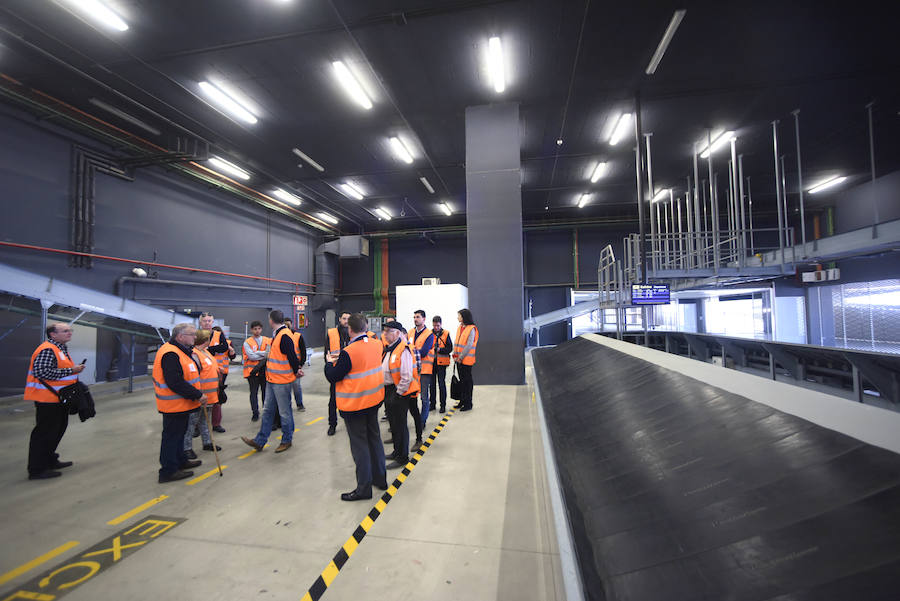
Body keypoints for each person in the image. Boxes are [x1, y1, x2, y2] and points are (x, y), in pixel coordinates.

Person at [324, 313, 387, 501]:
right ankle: (380, 479)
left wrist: (329, 363)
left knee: (360, 446)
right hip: (373, 400)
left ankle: (364, 488)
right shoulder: (377, 344)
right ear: (366, 327)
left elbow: (333, 376)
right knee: (374, 439)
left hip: (355, 404)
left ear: (349, 329)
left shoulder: (349, 352)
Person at [25, 322, 86, 480]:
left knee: (57, 431)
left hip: (58, 398)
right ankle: (37, 469)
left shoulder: (60, 348)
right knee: (45, 433)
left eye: (70, 330)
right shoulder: (47, 349)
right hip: (47, 399)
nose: (69, 333)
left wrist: (73, 371)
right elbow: (42, 372)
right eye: (65, 331)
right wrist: (71, 370)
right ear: (53, 334)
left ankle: (50, 460)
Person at [241, 310, 301, 454]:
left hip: (282, 381)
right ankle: (260, 441)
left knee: (284, 412)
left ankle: (287, 440)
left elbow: (292, 356)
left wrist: (296, 370)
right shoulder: (277, 335)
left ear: (271, 320)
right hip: (272, 379)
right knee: (268, 411)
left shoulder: (284, 335)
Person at [152, 323, 204, 483]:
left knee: (179, 435)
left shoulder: (181, 351)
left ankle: (181, 461)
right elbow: (174, 381)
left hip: (181, 404)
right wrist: (197, 394)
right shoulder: (170, 354)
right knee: (172, 438)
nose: (195, 337)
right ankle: (168, 471)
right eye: (192, 334)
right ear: (180, 336)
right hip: (173, 405)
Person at [381, 321, 420, 469]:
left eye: (388, 331)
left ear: (397, 333)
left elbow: (406, 376)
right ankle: (396, 451)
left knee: (400, 425)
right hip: (389, 390)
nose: (385, 334)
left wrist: (398, 394)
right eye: (384, 331)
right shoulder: (390, 348)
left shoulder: (403, 349)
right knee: (394, 424)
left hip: (398, 392)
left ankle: (403, 457)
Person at [183, 329, 222, 460]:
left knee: (205, 420)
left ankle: (207, 442)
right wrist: (198, 394)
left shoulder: (205, 352)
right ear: (205, 340)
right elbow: (195, 375)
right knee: (191, 423)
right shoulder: (195, 354)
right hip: (200, 395)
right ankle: (187, 448)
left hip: (210, 395)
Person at [200, 312, 233, 433]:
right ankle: (198, 425)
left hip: (219, 371)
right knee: (199, 396)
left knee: (217, 397)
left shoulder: (218, 334)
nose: (207, 323)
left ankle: (216, 423)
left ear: (212, 322)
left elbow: (224, 347)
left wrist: (209, 349)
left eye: (209, 321)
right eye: (205, 321)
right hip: (201, 371)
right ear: (200, 323)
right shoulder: (196, 335)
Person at [409, 310, 435, 435]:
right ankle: (417, 419)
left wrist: (410, 352)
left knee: (424, 397)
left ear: (424, 319)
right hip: (412, 370)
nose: (415, 319)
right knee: (412, 397)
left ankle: (422, 421)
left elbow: (424, 352)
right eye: (414, 317)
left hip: (424, 370)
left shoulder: (429, 335)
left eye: (418, 317)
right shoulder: (410, 332)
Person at [325, 311, 351, 436]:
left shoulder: (353, 333)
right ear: (340, 319)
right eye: (344, 318)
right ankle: (332, 424)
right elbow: (327, 353)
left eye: (348, 319)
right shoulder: (331, 333)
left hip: (350, 373)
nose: (346, 321)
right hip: (336, 371)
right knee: (333, 401)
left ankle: (350, 421)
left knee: (350, 399)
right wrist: (329, 369)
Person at [242, 320, 270, 422]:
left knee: (265, 393)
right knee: (253, 393)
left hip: (264, 371)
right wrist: (263, 353)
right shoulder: (247, 342)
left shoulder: (267, 340)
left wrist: (257, 352)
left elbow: (269, 353)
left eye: (259, 329)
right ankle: (255, 413)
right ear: (251, 330)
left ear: (261, 329)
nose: (257, 331)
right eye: (255, 329)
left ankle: (266, 411)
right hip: (252, 372)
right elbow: (251, 356)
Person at [452, 309, 479, 411]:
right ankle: (462, 401)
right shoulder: (460, 327)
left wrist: (460, 357)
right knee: (462, 382)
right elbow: (457, 342)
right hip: (458, 360)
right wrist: (455, 354)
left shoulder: (471, 329)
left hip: (466, 361)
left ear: (464, 317)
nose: (457, 317)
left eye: (459, 316)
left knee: (467, 383)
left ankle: (468, 403)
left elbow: (469, 345)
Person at [283, 317, 307, 412]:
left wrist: (301, 364)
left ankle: (299, 404)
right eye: (285, 325)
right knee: (286, 388)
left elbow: (303, 351)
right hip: (285, 367)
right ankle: (287, 405)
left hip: (296, 366)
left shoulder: (298, 336)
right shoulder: (281, 336)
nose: (287, 326)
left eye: (288, 324)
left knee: (296, 386)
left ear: (291, 325)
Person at [430, 316, 453, 413]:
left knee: (441, 384)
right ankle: (432, 404)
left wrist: (440, 350)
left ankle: (443, 405)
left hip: (442, 364)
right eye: (434, 325)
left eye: (438, 326)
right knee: (432, 385)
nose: (436, 327)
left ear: (441, 324)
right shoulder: (429, 333)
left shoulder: (446, 334)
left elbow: (450, 348)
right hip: (431, 363)